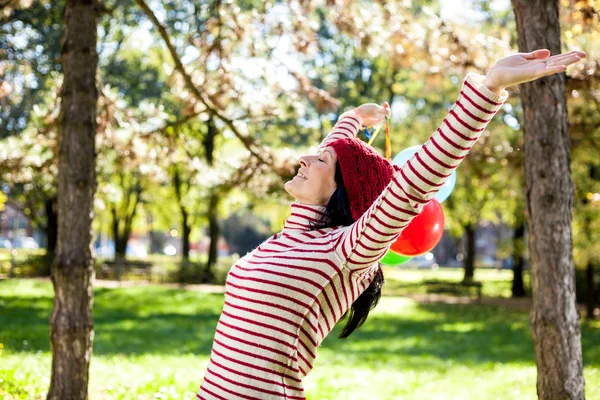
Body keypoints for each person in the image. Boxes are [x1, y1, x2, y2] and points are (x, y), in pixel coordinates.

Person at [196, 49, 586, 400]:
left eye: (319, 161)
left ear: (340, 189)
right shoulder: (292, 237)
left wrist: (488, 88)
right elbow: (341, 157)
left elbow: (416, 181)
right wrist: (353, 120)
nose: (304, 158)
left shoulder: (345, 251)